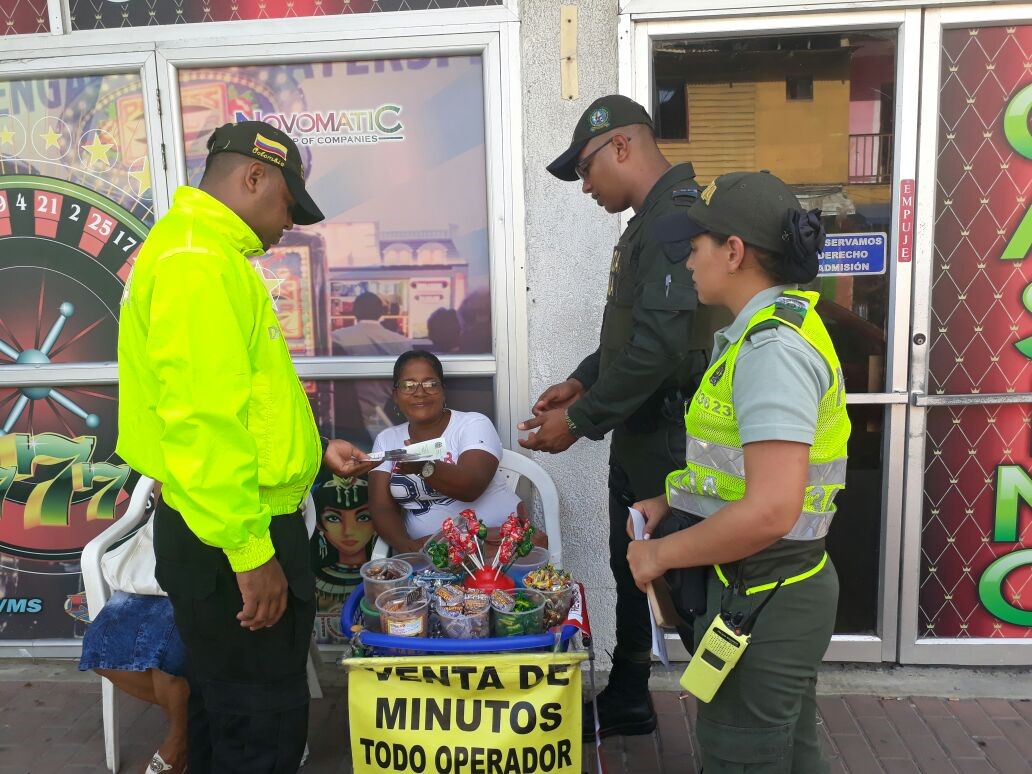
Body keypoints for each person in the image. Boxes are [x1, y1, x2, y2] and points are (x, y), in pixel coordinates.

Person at [116, 119, 376, 774]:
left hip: (227, 524)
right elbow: (202, 421)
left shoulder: (204, 252)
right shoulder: (197, 262)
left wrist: (315, 450)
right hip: (233, 534)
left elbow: (243, 403)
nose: (288, 223)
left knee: (227, 712)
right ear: (254, 176)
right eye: (288, 205)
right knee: (261, 726)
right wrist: (251, 553)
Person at [627, 171, 850, 773]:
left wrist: (659, 555)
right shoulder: (765, 330)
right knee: (788, 755)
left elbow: (771, 510)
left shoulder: (771, 350)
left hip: (763, 593)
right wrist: (672, 500)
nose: (687, 260)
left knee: (744, 756)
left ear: (733, 252)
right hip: (762, 587)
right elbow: (742, 473)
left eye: (695, 245)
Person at [518, 94, 724, 740]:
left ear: (623, 146)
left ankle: (730, 727)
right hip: (640, 436)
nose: (585, 186)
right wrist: (582, 380)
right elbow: (631, 337)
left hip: (670, 444)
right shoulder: (647, 223)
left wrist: (580, 420)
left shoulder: (674, 222)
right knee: (631, 566)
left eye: (586, 168)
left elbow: (660, 352)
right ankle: (631, 691)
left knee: (687, 588)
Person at [369, 350, 523, 554]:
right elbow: (381, 507)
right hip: (428, 554)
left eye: (430, 384)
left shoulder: (473, 424)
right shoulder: (387, 439)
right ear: (395, 396)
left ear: (443, 391)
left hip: (496, 549)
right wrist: (407, 547)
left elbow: (471, 487)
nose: (420, 392)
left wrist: (425, 466)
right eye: (408, 385)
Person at [332, 291, 412, 443]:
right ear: (382, 312)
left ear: (355, 311)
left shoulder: (338, 337)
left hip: (352, 423)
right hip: (393, 419)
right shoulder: (402, 342)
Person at [309, 474, 376, 643]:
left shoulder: (391, 576)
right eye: (333, 518)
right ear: (319, 523)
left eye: (363, 517)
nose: (349, 531)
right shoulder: (311, 581)